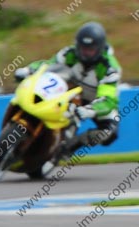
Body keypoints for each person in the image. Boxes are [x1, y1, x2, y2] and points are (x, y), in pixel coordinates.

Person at [15, 21, 121, 155]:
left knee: (110, 132)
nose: (85, 53)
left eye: (90, 50)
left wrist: (91, 110)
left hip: (95, 101)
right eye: (83, 48)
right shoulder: (69, 53)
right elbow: (47, 65)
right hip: (68, 93)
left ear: (100, 49)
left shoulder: (109, 68)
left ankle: (72, 145)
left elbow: (108, 99)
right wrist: (29, 70)